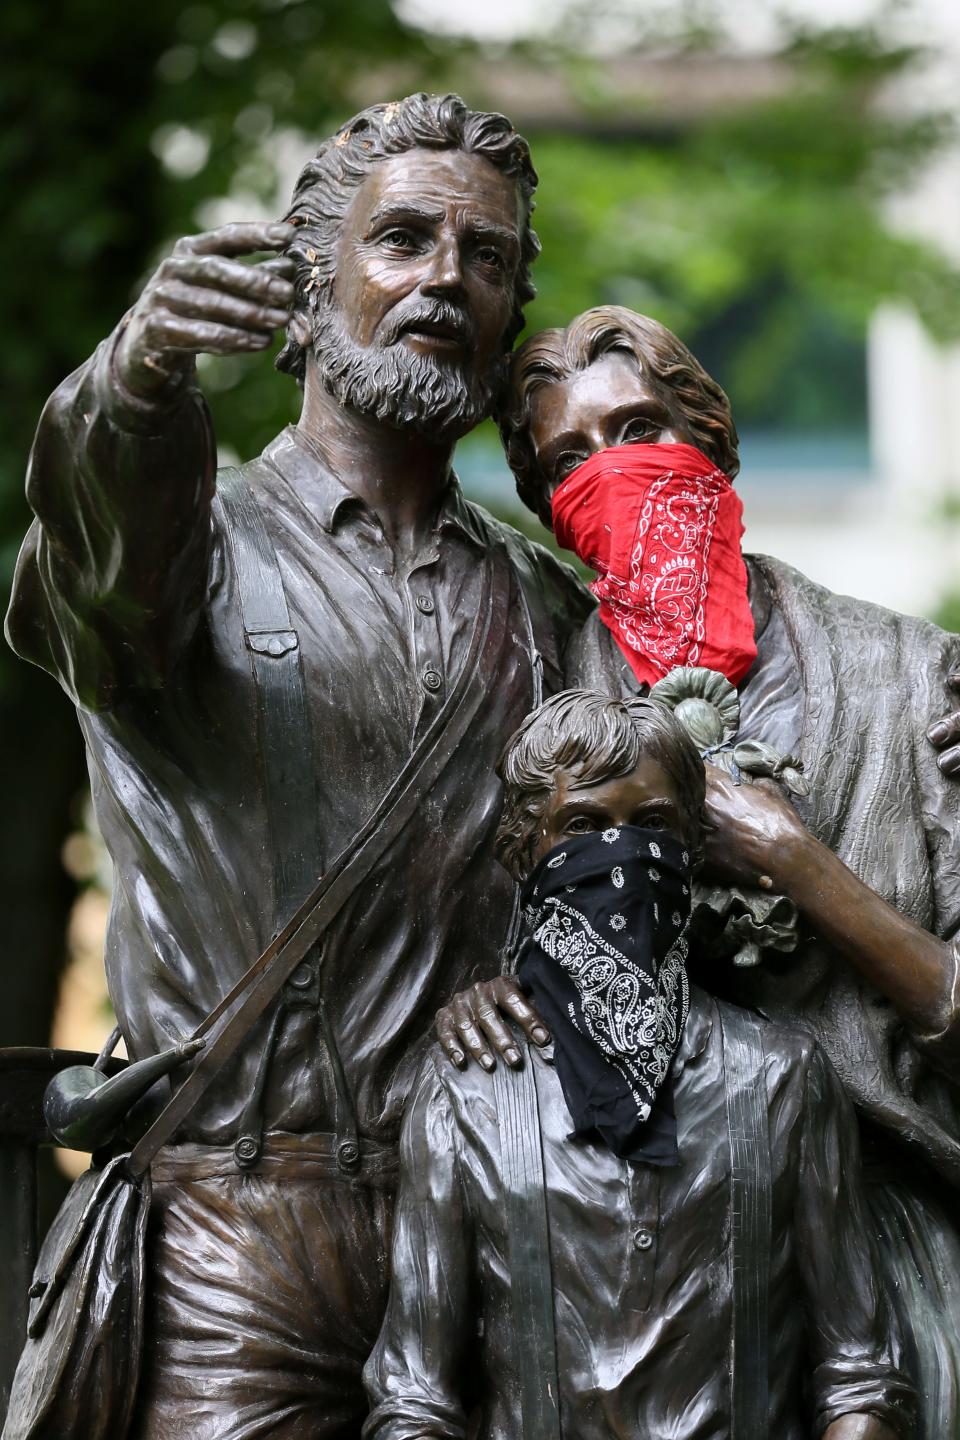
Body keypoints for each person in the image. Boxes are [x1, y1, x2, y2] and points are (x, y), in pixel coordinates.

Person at [3, 94, 590, 1438]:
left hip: (497, 1232)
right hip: (234, 1235)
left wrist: (901, 692)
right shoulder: (189, 552)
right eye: (401, 239)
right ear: (307, 278)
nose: (446, 276)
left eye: (486, 257)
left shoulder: (549, 610)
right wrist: (138, 376)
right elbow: (99, 548)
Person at [436, 306, 960, 1437]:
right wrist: (490, 992)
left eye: (638, 430)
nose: (612, 473)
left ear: (713, 444)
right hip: (615, 1238)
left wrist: (796, 862)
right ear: (546, 511)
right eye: (569, 461)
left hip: (881, 1214)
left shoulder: (914, 685)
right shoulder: (528, 702)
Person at [367, 689, 913, 1440]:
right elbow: (414, 1397)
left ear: (690, 845)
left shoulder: (782, 1079)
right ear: (529, 852)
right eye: (584, 826)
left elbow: (861, 1378)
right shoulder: (467, 1093)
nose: (621, 855)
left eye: (652, 826)